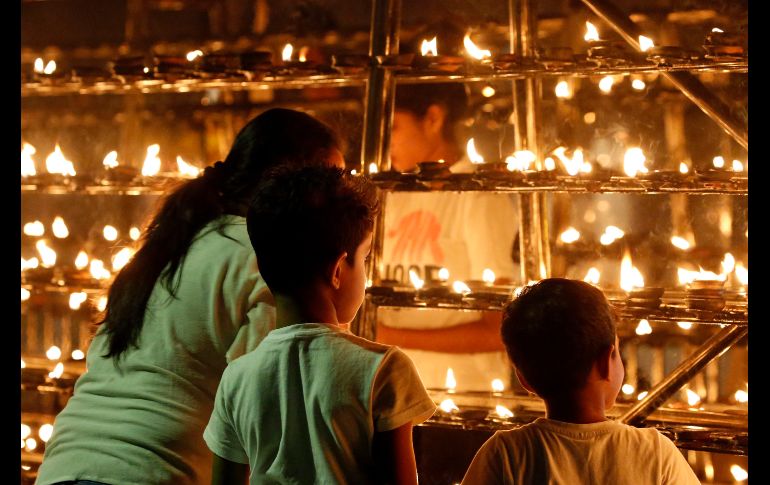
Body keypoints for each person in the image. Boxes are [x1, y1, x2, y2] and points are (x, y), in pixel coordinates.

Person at [36, 108, 346, 485]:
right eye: (333, 185)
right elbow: (258, 416)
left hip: (64, 467)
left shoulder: (172, 244)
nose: (343, 204)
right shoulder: (267, 262)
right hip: (152, 474)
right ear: (296, 188)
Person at [204, 166, 436, 484]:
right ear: (338, 270)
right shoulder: (383, 369)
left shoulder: (236, 378)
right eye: (364, 258)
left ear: (262, 265)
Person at [461, 278, 701, 485]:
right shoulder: (655, 452)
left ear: (523, 378)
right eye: (618, 352)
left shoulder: (505, 453)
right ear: (606, 362)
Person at [376, 81, 520, 391]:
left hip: (464, 398)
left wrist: (386, 337)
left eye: (394, 128)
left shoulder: (477, 197)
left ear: (433, 119)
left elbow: (499, 330)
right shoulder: (394, 193)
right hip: (394, 393)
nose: (384, 142)